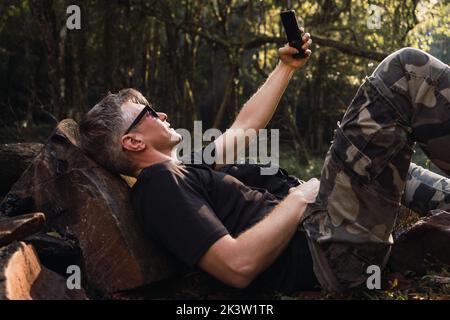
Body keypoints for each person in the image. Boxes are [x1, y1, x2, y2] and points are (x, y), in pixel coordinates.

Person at [79, 29, 450, 293]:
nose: (160, 113)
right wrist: (300, 198)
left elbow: (244, 127)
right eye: (147, 112)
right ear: (132, 141)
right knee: (405, 70)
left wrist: (285, 67)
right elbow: (237, 266)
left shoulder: (186, 169)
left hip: (332, 234)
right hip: (327, 249)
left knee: (404, 174)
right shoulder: (159, 187)